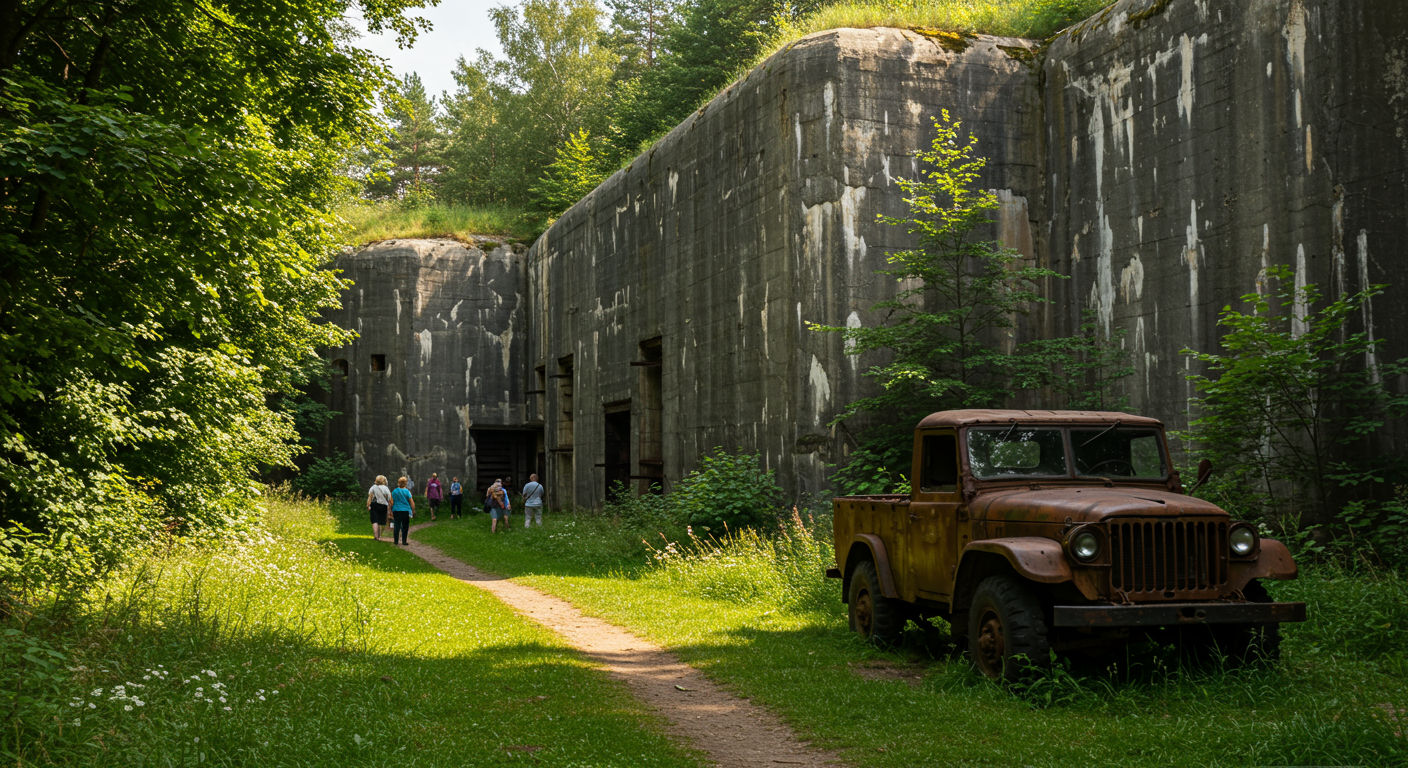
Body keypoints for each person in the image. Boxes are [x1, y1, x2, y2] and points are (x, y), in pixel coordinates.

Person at [390, 476, 415, 545]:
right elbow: (411, 501)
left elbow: (391, 502)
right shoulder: (407, 491)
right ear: (406, 483)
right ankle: (404, 541)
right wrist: (413, 510)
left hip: (396, 510)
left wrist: (390, 509)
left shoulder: (394, 491)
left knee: (397, 525)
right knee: (405, 526)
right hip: (405, 510)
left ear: (398, 483)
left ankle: (396, 541)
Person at [367, 475, 392, 540]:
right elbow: (389, 498)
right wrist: (390, 506)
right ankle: (379, 535)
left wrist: (368, 505)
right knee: (382, 521)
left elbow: (370, 497)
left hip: (375, 505)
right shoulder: (386, 488)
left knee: (375, 521)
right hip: (383, 506)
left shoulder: (373, 487)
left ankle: (376, 536)